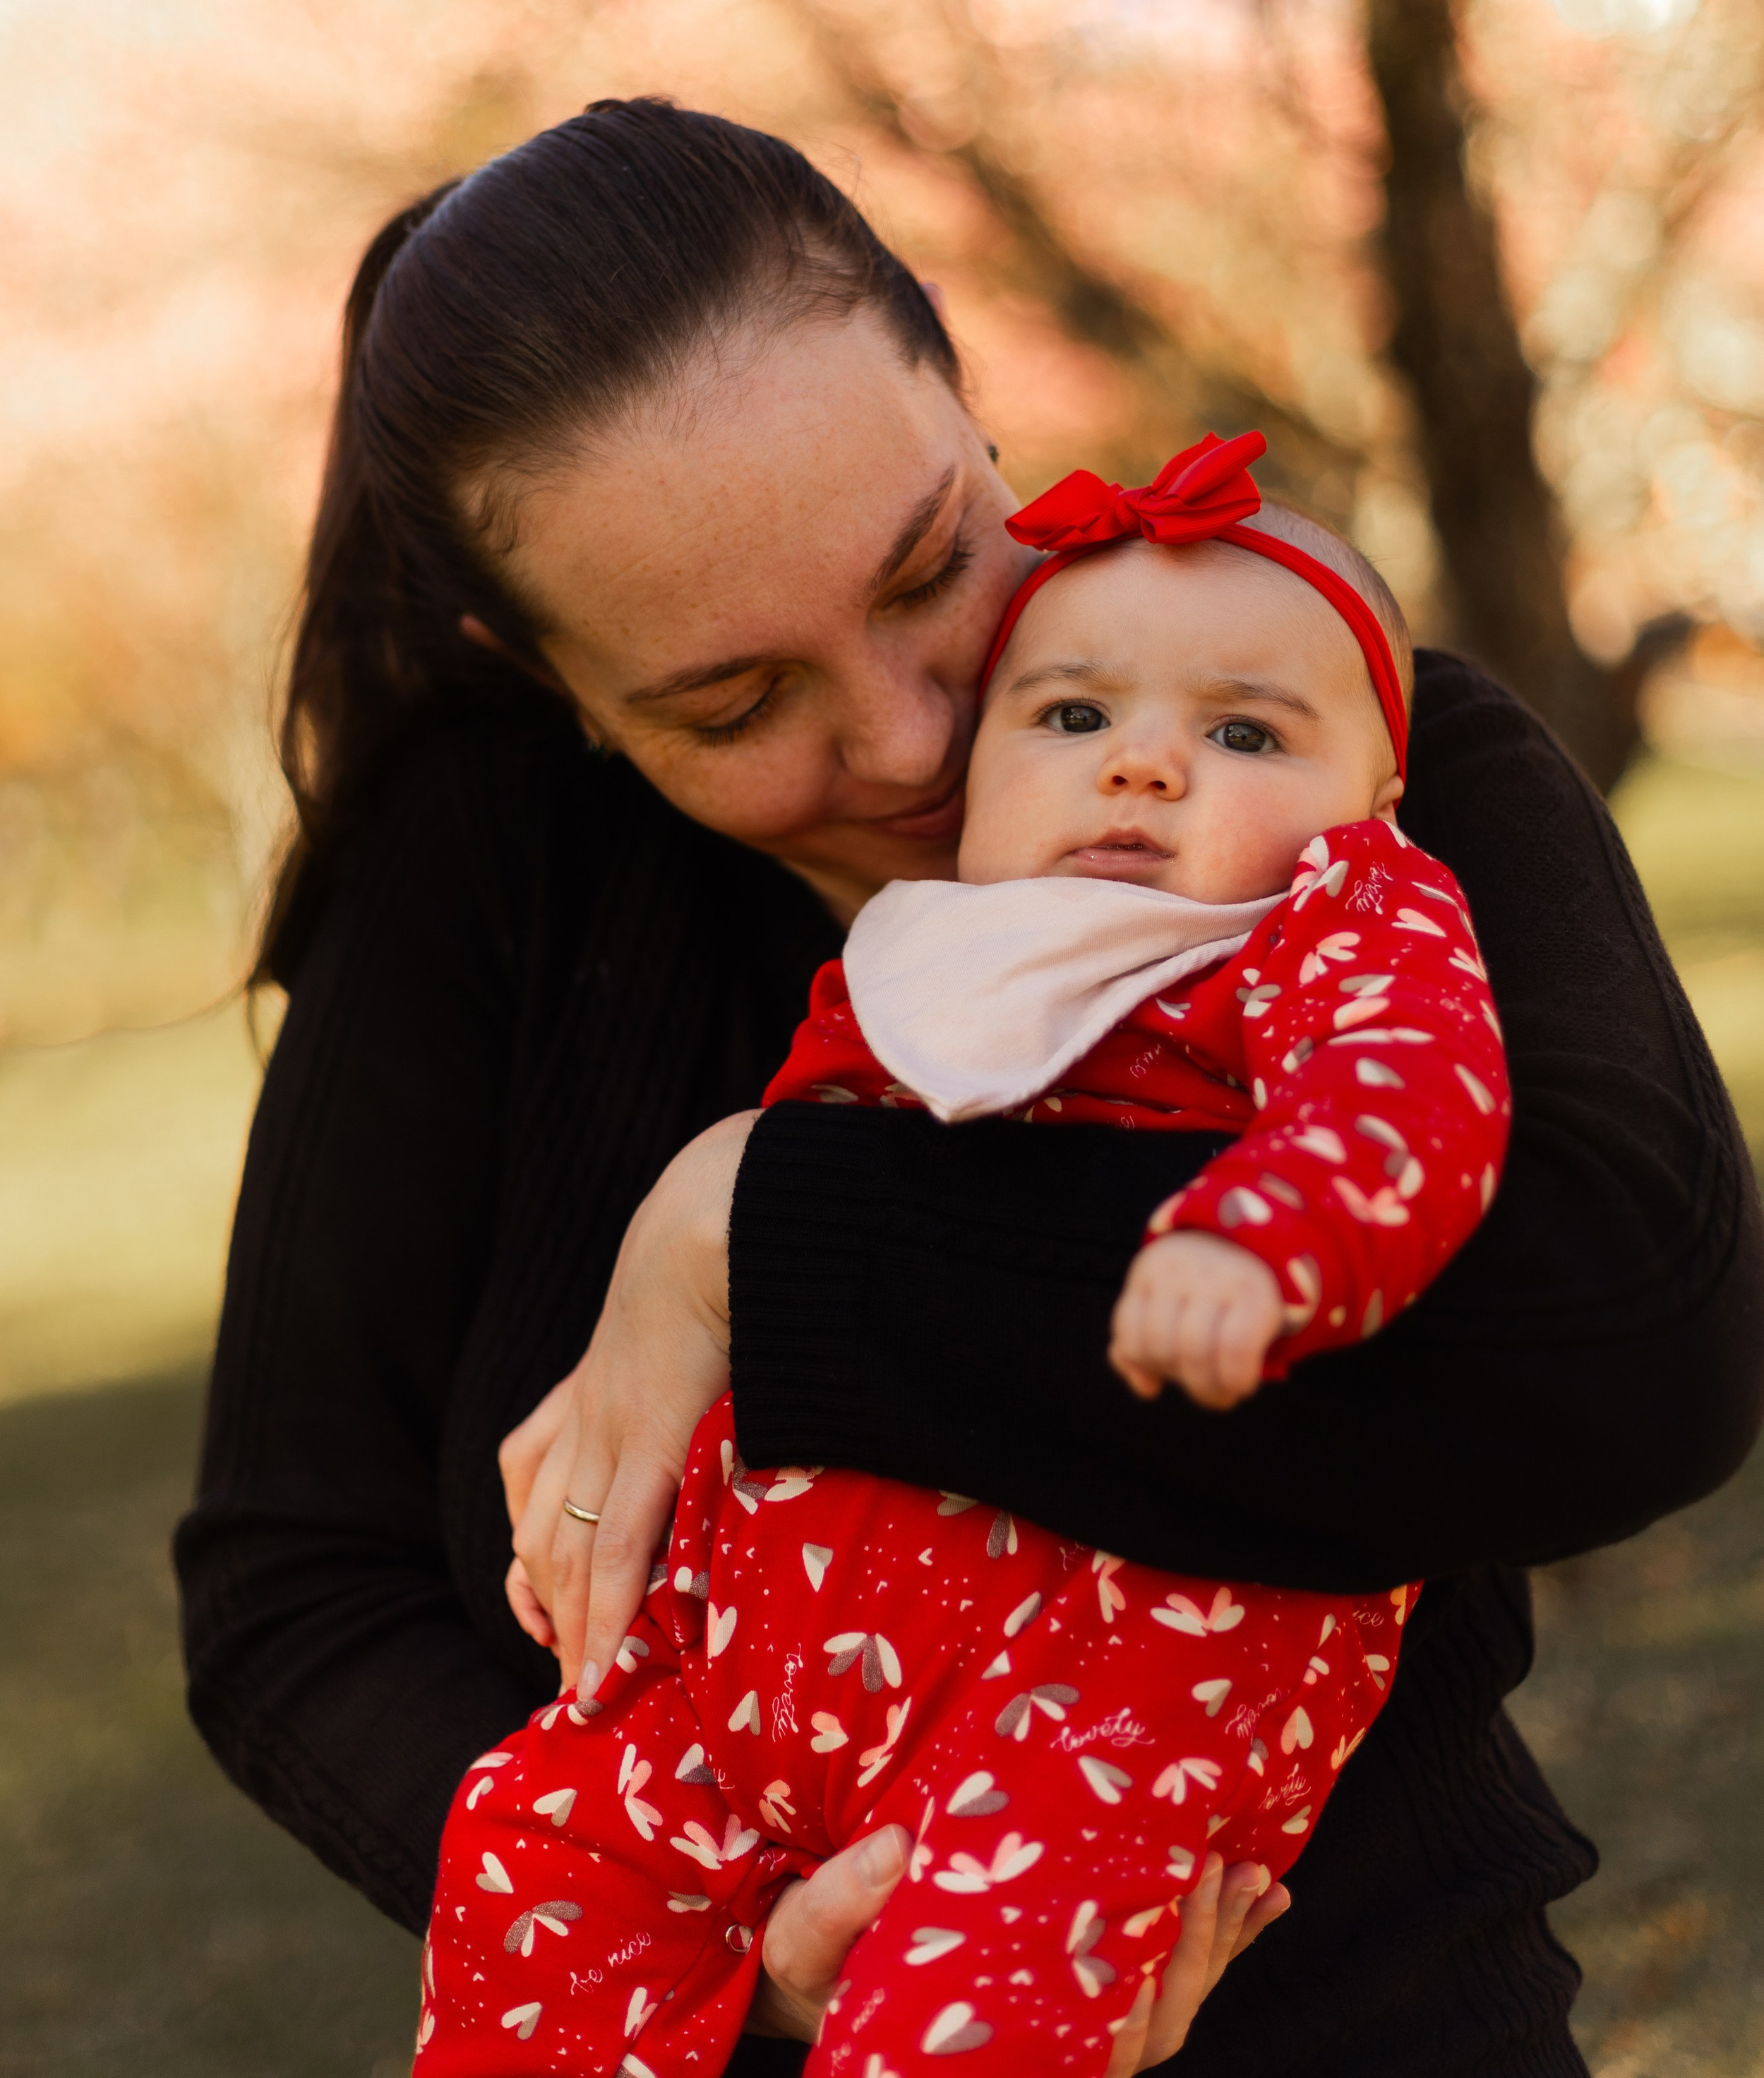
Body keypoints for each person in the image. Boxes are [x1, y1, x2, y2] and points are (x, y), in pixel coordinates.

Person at [175, 100, 1764, 2078]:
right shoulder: (492, 861)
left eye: (934, 566)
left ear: (971, 391)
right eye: (734, 703)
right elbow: (288, 1594)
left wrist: (753, 1224)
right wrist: (715, 1952)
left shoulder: (1347, 761)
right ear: (556, 685)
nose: (913, 732)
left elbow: (1625, 1342)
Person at [414, 430, 1511, 2077]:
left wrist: (1263, 1235)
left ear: (1374, 796)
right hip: (757, 1677)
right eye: (1070, 718)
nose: (1139, 766)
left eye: (1239, 731)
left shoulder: (1324, 921)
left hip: (1114, 1677)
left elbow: (1408, 1091)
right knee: (520, 1855)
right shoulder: (921, 957)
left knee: (961, 2022)